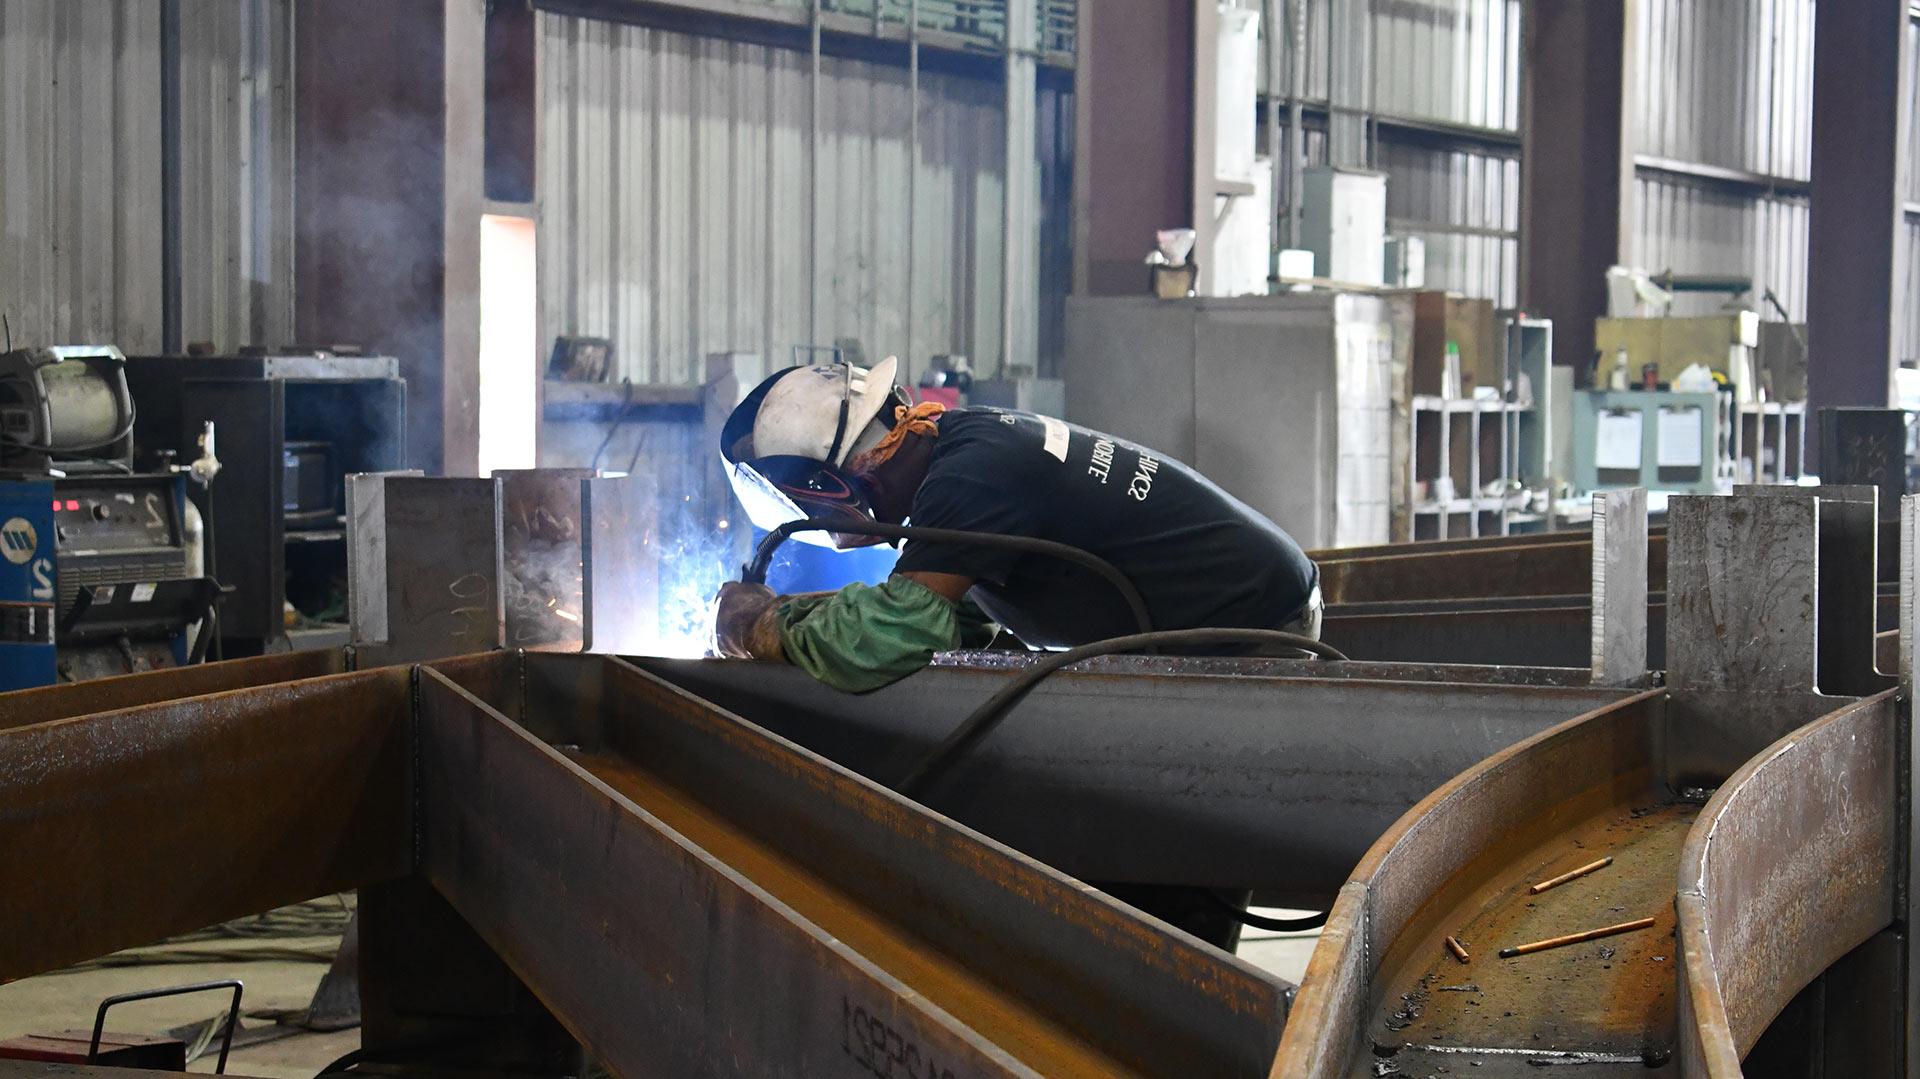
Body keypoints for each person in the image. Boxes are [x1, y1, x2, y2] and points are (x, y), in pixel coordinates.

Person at [713, 357, 1321, 692]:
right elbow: (947, 613)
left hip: (1246, 644)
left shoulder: (969, 480)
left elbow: (891, 638)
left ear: (838, 483)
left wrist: (758, 626)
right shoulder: (963, 450)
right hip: (1241, 621)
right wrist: (808, 614)